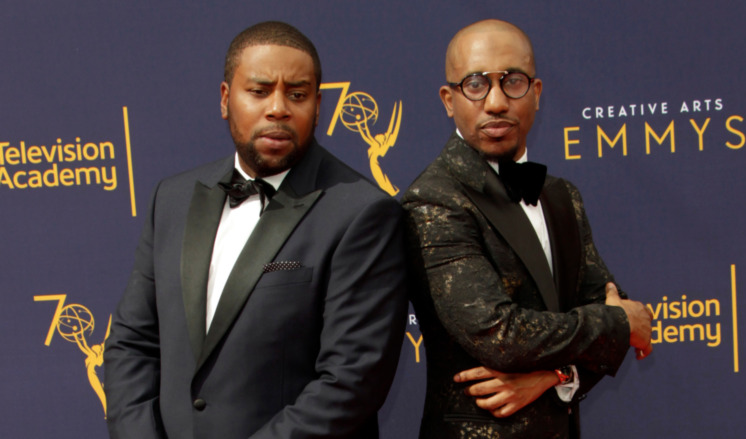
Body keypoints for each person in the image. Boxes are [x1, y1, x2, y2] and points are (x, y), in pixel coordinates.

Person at [104, 21, 408, 439]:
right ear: (226, 99)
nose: (278, 108)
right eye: (259, 91)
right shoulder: (172, 199)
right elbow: (131, 342)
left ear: (318, 106)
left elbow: (350, 382)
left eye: (297, 94)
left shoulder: (361, 212)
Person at [402, 19, 653, 438]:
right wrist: (619, 324)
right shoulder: (433, 199)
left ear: (535, 93)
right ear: (449, 99)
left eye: (513, 82)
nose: (497, 102)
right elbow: (499, 334)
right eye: (476, 85)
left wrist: (554, 376)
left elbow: (608, 301)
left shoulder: (562, 196)